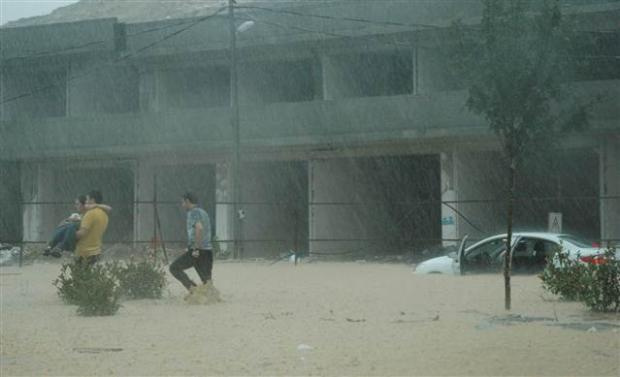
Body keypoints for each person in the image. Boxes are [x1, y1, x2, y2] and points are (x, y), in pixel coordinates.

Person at [170, 192, 214, 291]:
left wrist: (196, 249)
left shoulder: (192, 213)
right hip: (208, 252)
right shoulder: (204, 213)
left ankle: (192, 289)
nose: (182, 205)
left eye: (183, 203)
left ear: (188, 201)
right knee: (207, 283)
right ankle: (209, 299)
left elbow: (199, 228)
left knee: (174, 268)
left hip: (197, 251)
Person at [42, 195, 112, 258]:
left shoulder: (91, 214)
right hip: (74, 242)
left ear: (83, 205)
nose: (76, 206)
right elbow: (60, 226)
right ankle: (51, 247)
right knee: (66, 227)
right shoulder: (77, 215)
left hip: (83, 246)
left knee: (70, 227)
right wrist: (69, 220)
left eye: (77, 204)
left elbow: (109, 208)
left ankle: (58, 247)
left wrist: (95, 205)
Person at [74, 190, 109, 265]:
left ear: (92, 200)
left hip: (84, 253)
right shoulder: (104, 215)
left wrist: (69, 236)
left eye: (87, 199)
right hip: (96, 252)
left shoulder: (90, 214)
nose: (85, 202)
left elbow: (82, 233)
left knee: (80, 276)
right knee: (90, 275)